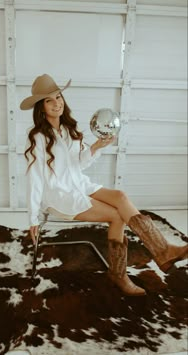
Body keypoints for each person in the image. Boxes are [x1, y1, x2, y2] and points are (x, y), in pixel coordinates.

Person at [20, 73, 188, 297]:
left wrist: (97, 146)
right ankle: (119, 274)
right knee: (117, 216)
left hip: (79, 185)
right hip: (60, 197)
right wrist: (33, 217)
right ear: (41, 107)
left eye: (58, 97)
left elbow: (77, 166)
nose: (56, 103)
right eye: (49, 100)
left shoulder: (69, 130)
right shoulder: (38, 137)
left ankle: (162, 250)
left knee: (120, 196)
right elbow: (35, 178)